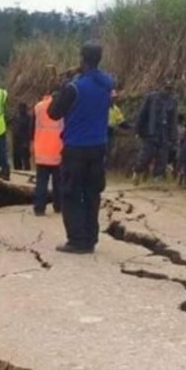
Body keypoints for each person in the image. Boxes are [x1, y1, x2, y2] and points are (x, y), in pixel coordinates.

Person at [48, 41, 114, 254]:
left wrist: (62, 87)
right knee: (92, 193)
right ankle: (90, 239)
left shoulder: (74, 88)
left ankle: (77, 240)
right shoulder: (107, 83)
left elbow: (54, 113)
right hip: (99, 146)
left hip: (76, 148)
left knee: (71, 193)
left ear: (82, 58)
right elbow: (102, 79)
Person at [132, 80, 179, 185]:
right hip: (151, 131)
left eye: (169, 89)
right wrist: (138, 129)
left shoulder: (173, 102)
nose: (167, 91)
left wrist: (174, 137)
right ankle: (137, 172)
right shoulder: (151, 98)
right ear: (161, 87)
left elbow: (174, 120)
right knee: (145, 155)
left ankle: (157, 178)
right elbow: (142, 114)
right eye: (166, 88)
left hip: (164, 133)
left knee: (162, 157)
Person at [33, 91, 63, 216]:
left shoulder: (39, 107)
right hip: (58, 151)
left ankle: (39, 208)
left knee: (41, 182)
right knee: (59, 182)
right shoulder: (64, 108)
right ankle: (58, 206)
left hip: (41, 150)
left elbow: (32, 127)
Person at [107, 90, 129, 161]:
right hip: (101, 131)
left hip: (110, 132)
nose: (113, 99)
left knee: (109, 149)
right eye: (112, 97)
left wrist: (131, 126)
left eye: (114, 98)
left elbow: (121, 122)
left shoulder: (115, 109)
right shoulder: (102, 107)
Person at [11, 102, 32, 171]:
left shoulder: (24, 117)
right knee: (19, 158)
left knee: (24, 158)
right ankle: (19, 170)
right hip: (19, 139)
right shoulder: (17, 117)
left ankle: (23, 170)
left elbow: (29, 130)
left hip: (21, 139)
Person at [175, 113, 186, 186]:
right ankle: (182, 181)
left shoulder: (174, 128)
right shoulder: (183, 130)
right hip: (181, 149)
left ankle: (180, 181)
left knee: (181, 165)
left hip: (178, 149)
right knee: (184, 165)